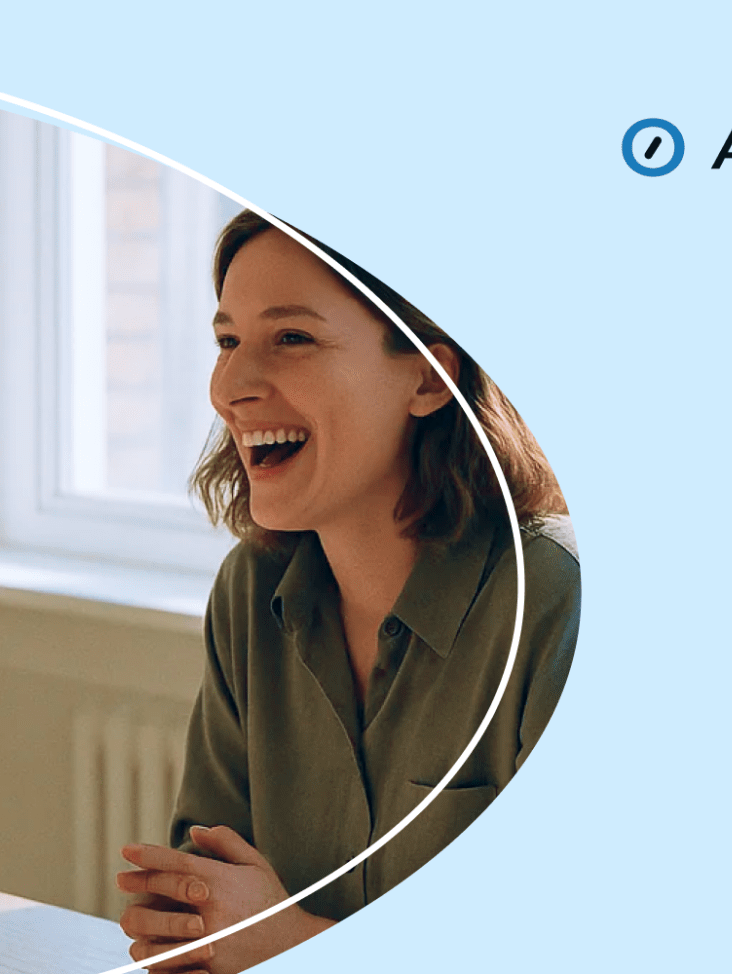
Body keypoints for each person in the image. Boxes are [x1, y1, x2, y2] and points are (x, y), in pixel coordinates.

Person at [113, 212, 580, 972]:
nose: (230, 387)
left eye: (291, 338)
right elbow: (197, 920)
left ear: (430, 378)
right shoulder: (250, 593)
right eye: (227, 341)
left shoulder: (558, 601)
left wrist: (284, 940)